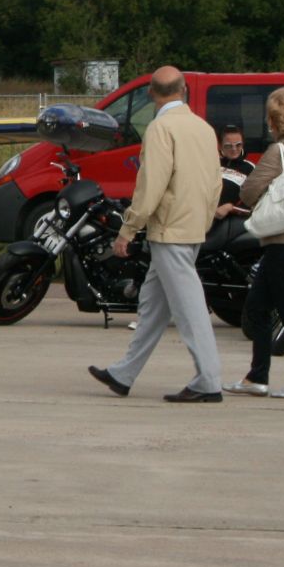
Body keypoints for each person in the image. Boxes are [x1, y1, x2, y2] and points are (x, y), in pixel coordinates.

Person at [87, 66, 224, 404]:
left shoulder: (161, 128)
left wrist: (129, 228)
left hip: (170, 229)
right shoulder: (204, 129)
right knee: (153, 306)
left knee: (189, 309)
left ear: (151, 93)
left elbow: (151, 185)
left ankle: (208, 381)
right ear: (184, 90)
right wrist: (203, 220)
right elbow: (215, 182)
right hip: (191, 226)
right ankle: (124, 373)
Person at [224, 87, 284, 400]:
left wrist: (263, 198)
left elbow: (249, 190)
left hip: (283, 239)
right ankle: (257, 376)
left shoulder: (278, 151)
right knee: (259, 306)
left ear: (276, 120)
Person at [214, 124, 254, 220]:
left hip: (232, 223)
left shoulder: (249, 168)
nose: (234, 149)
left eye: (238, 145)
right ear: (220, 146)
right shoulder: (212, 164)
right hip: (205, 219)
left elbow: (254, 203)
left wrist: (230, 207)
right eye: (228, 146)